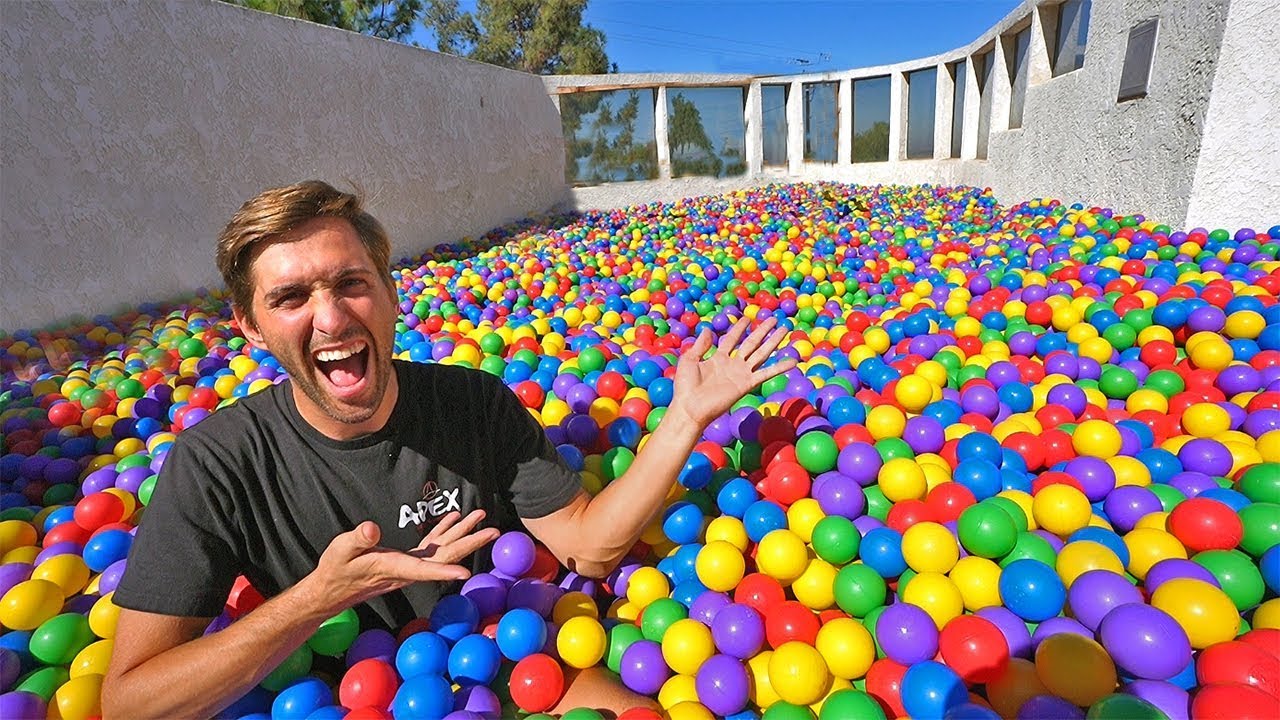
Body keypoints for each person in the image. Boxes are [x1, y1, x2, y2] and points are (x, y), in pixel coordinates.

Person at [102, 180, 797, 718]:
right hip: (325, 695)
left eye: (351, 282)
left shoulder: (474, 404)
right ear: (251, 326)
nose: (332, 316)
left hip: (502, 654)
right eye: (290, 297)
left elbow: (590, 548)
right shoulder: (215, 463)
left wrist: (685, 419)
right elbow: (128, 704)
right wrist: (317, 599)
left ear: (389, 292)